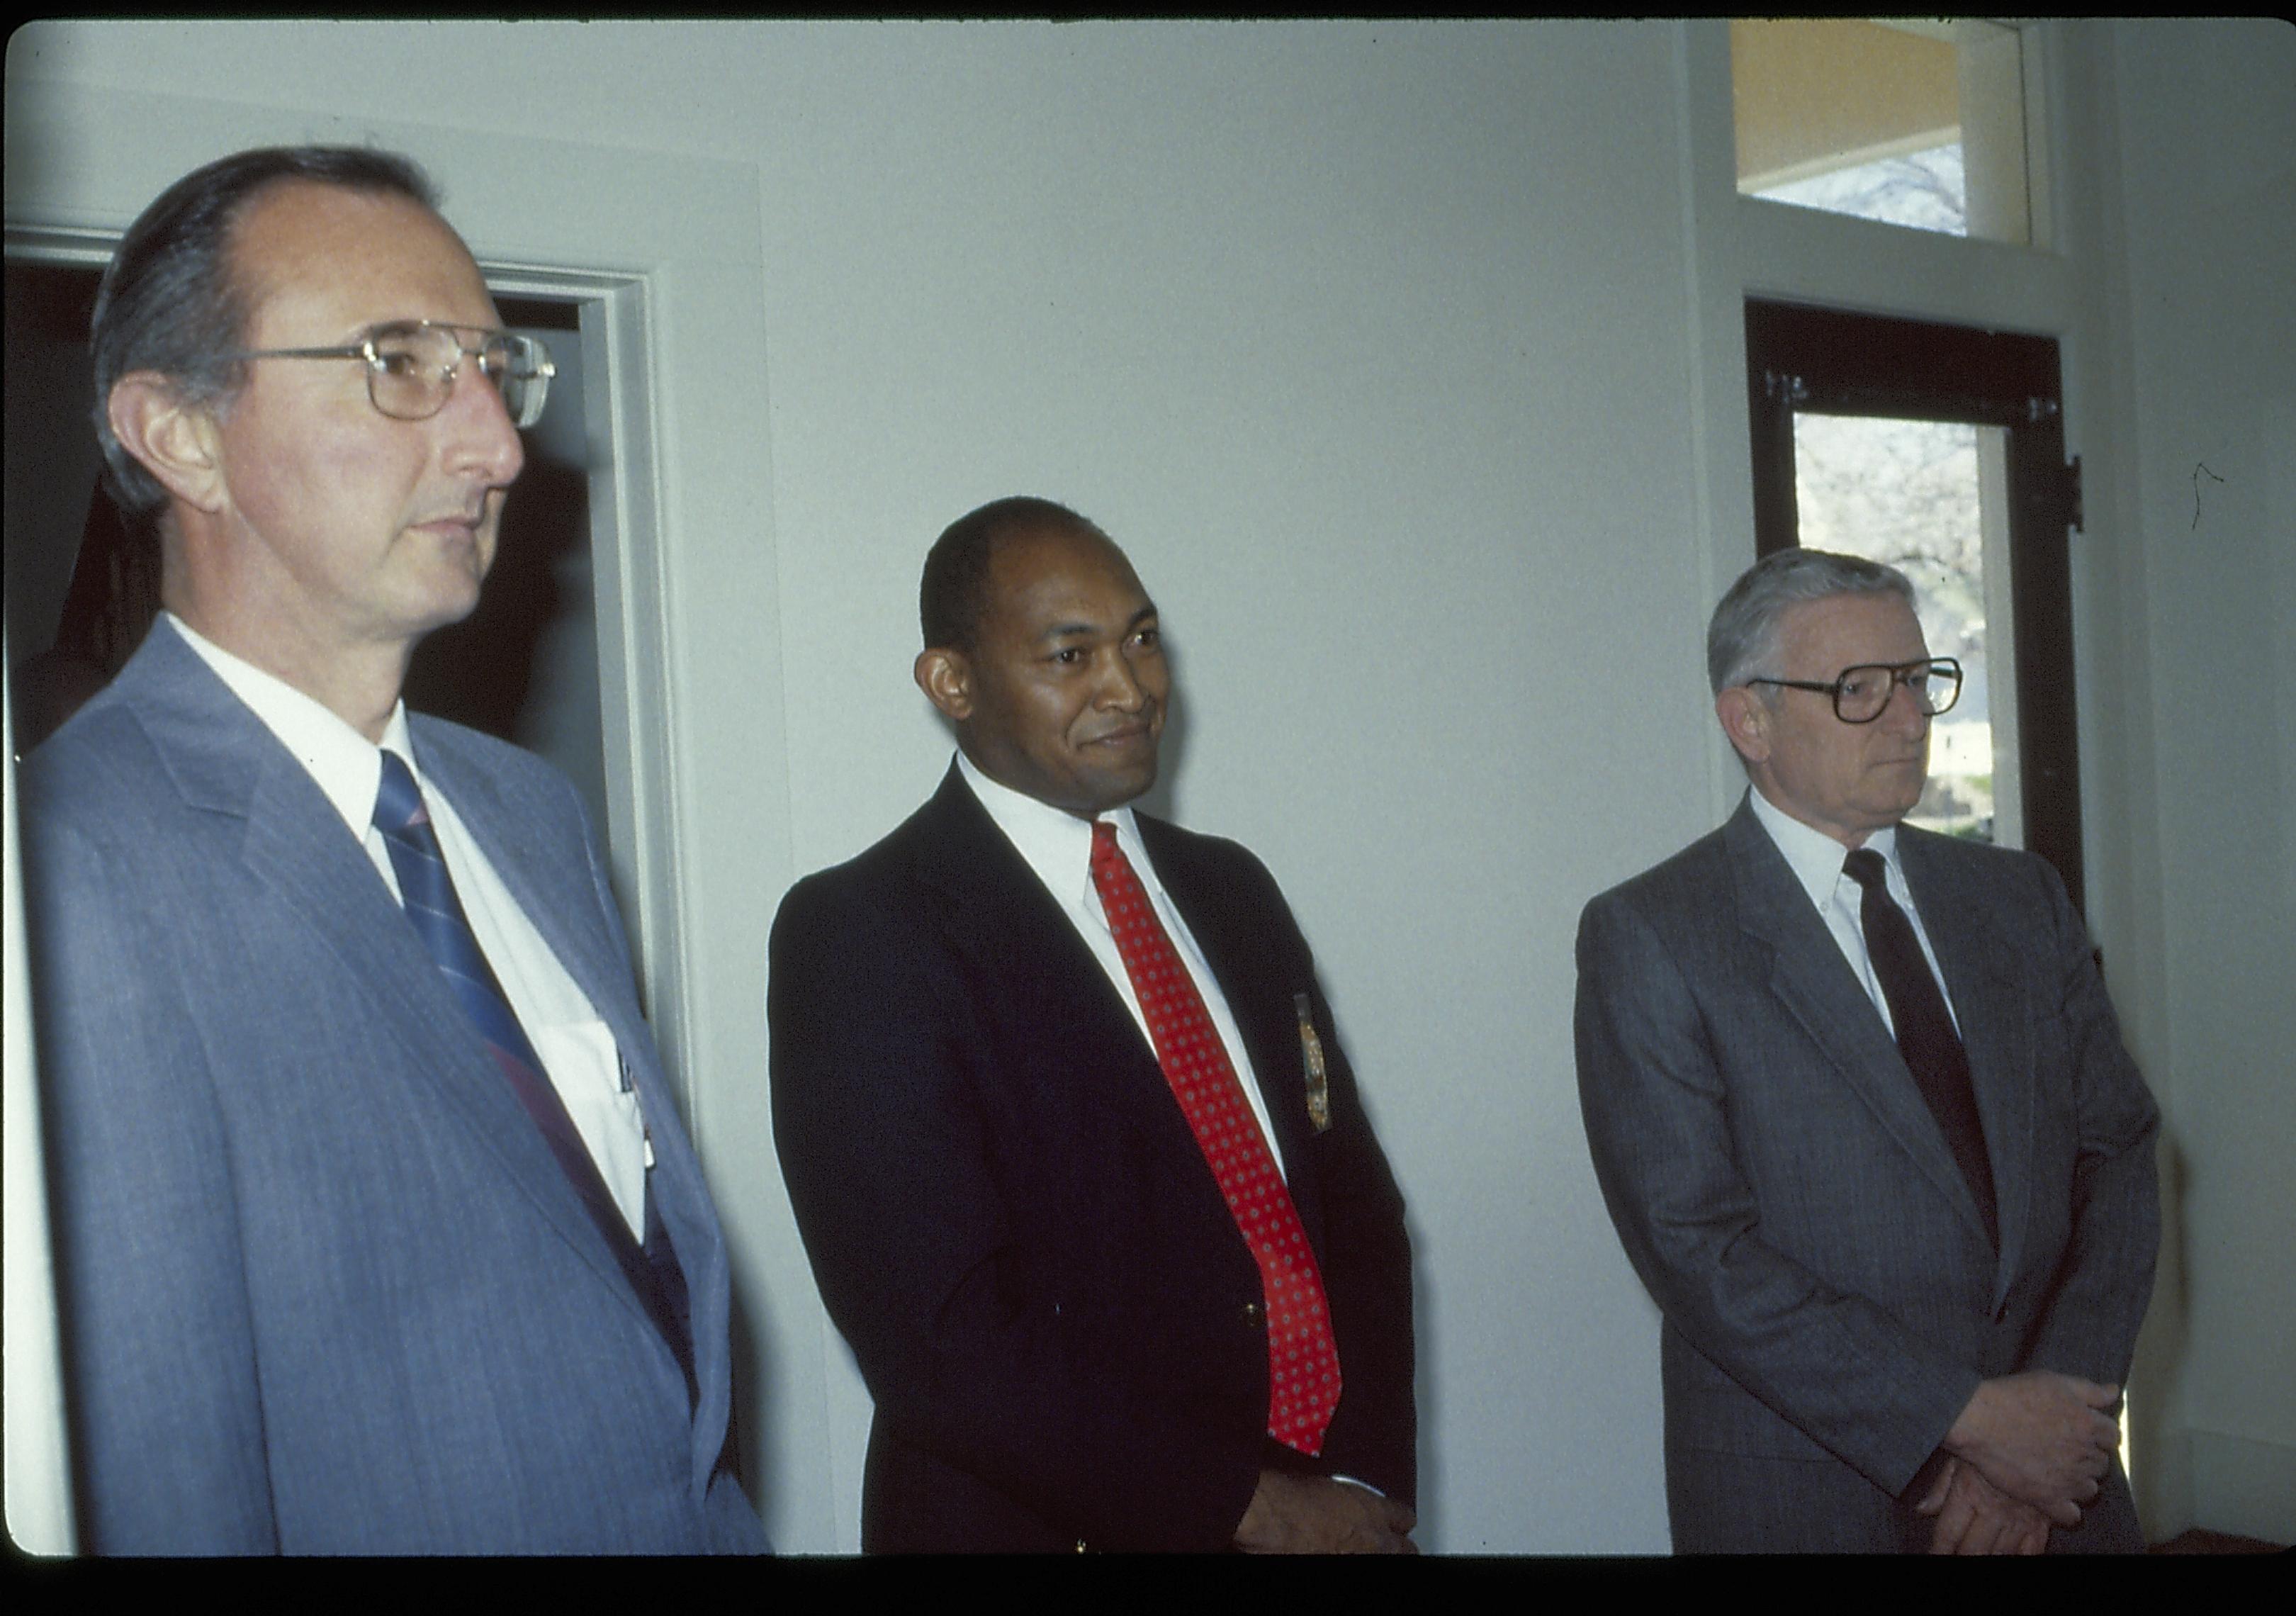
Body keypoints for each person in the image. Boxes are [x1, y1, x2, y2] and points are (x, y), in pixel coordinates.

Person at [18, 146, 766, 1554]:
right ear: (181, 435)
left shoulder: (525, 816)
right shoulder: (69, 873)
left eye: (491, 368)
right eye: (401, 361)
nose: (497, 444)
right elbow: (170, 1488)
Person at [768, 497, 1417, 1552]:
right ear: (952, 682)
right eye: (1071, 655)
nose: (1132, 688)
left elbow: (1355, 1214)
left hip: (1326, 1508)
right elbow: (943, 1342)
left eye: (1143, 640)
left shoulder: (1231, 888)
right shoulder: (864, 932)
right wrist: (1252, 1510)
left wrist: (1364, 1481)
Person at [1575, 546, 2161, 1554]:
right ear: (1747, 720)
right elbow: (1697, 1248)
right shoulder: (1657, 934)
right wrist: (1969, 1421)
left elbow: (2119, 1155)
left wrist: (2050, 1425)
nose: (1907, 719)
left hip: (2059, 1489)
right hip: (1808, 1489)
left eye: (1918, 680)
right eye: (1858, 690)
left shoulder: (2021, 900)